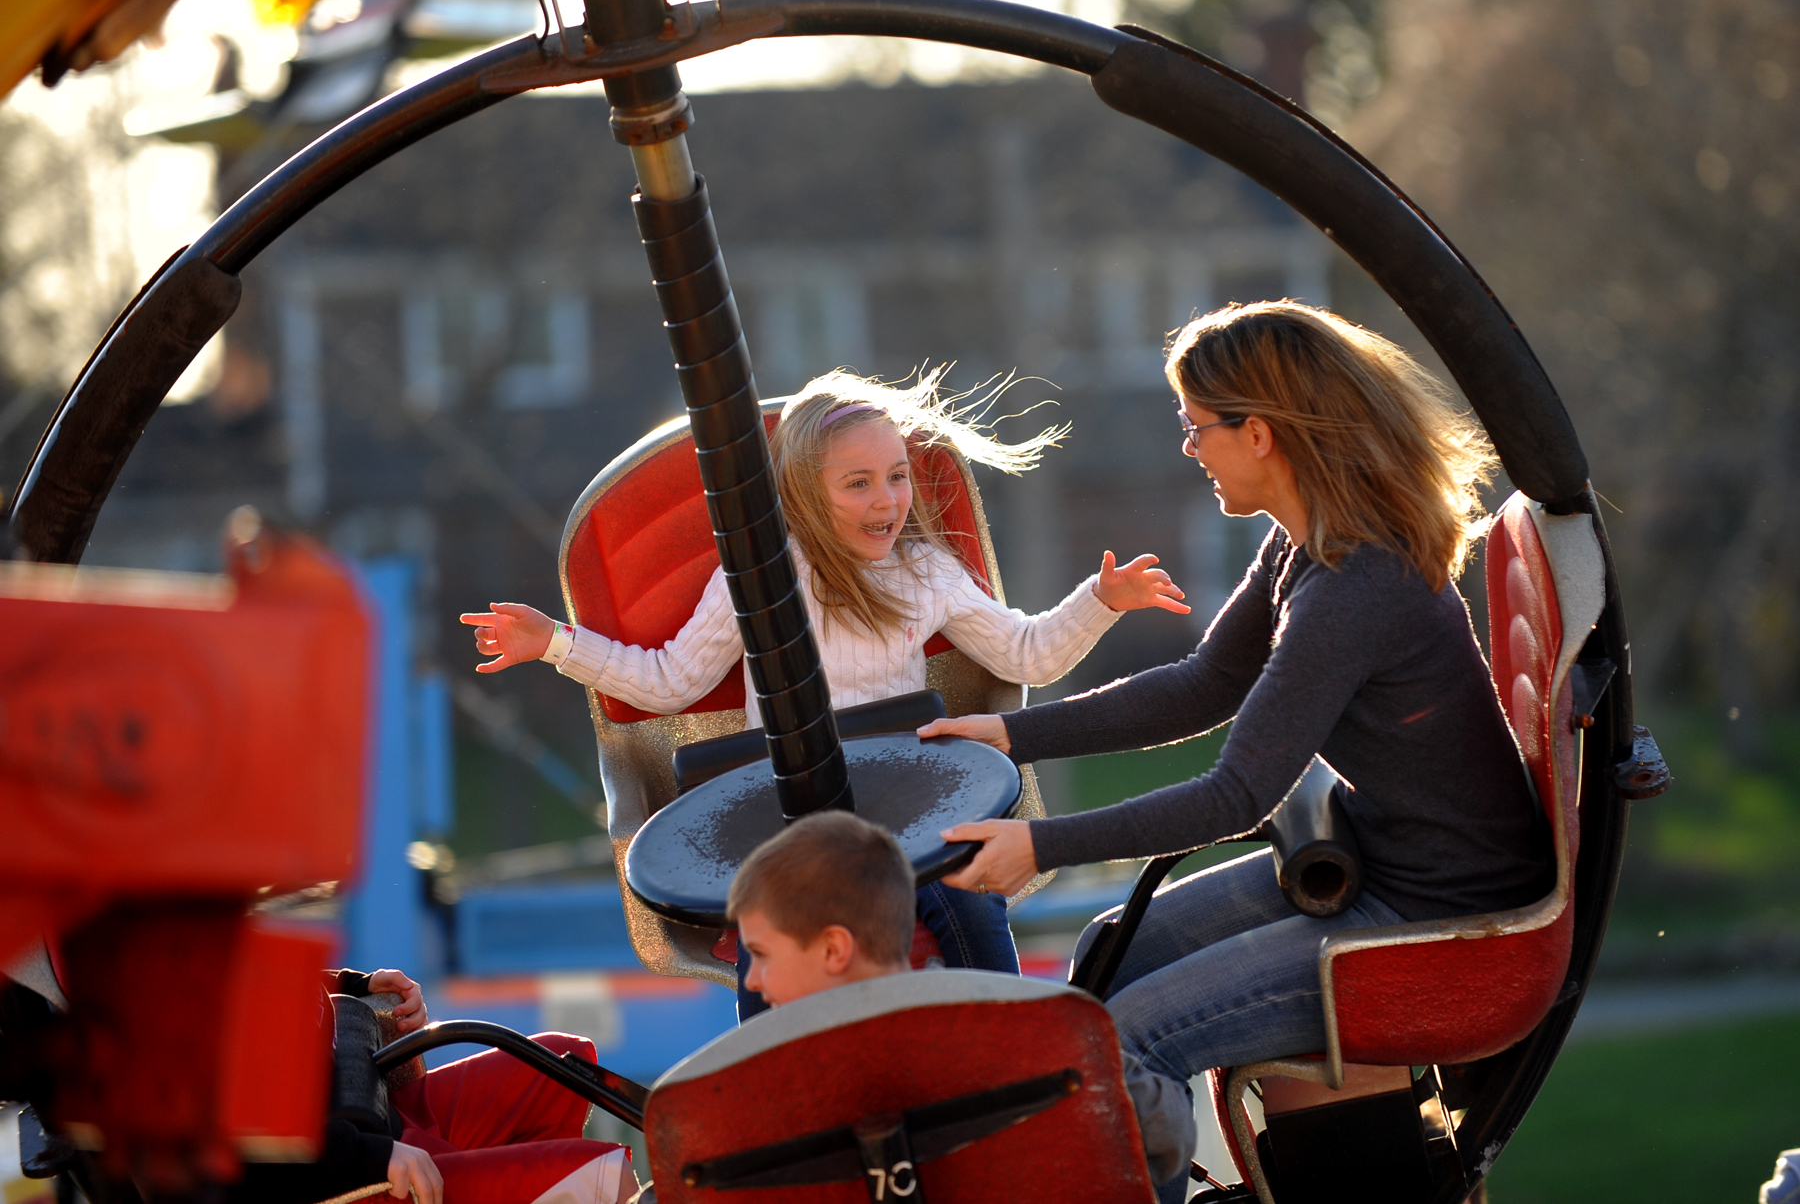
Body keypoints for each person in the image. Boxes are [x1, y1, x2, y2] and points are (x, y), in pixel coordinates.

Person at [921, 301, 1553, 1204]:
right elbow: (1201, 686)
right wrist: (1013, 731)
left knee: (1128, 1036)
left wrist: (1039, 845)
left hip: (1438, 919)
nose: (1189, 448)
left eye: (1197, 427)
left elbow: (1238, 796)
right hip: (1390, 866)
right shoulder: (1305, 547)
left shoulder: (1352, 586)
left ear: (1257, 433)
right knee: (1112, 946)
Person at [461, 369, 1190, 1018]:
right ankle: (778, 1067)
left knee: (965, 896)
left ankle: (1000, 1039)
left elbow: (1026, 652)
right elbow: (668, 681)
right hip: (790, 813)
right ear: (809, 491)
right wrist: (555, 641)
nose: (888, 500)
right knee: (773, 926)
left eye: (898, 476)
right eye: (859, 483)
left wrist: (1103, 598)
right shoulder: (762, 582)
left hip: (906, 803)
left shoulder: (922, 573)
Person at [728, 811, 1196, 1187]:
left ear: (834, 949)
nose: (751, 981)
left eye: (759, 955)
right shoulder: (1046, 1039)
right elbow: (1168, 1134)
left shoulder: (756, 1109)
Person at [304, 968, 637, 1204]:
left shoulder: (252, 922)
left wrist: (356, 984)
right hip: (352, 1174)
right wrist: (369, 1157)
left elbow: (271, 973)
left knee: (563, 1066)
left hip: (369, 1109)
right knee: (604, 1176)